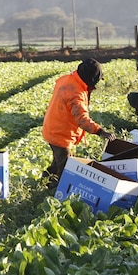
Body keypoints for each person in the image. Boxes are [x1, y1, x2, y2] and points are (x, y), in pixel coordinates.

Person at [41, 58, 116, 189]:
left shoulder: (68, 79)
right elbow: (82, 119)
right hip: (60, 134)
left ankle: (43, 184)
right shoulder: (76, 93)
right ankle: (54, 192)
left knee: (57, 162)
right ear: (91, 78)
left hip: (52, 128)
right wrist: (101, 131)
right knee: (65, 170)